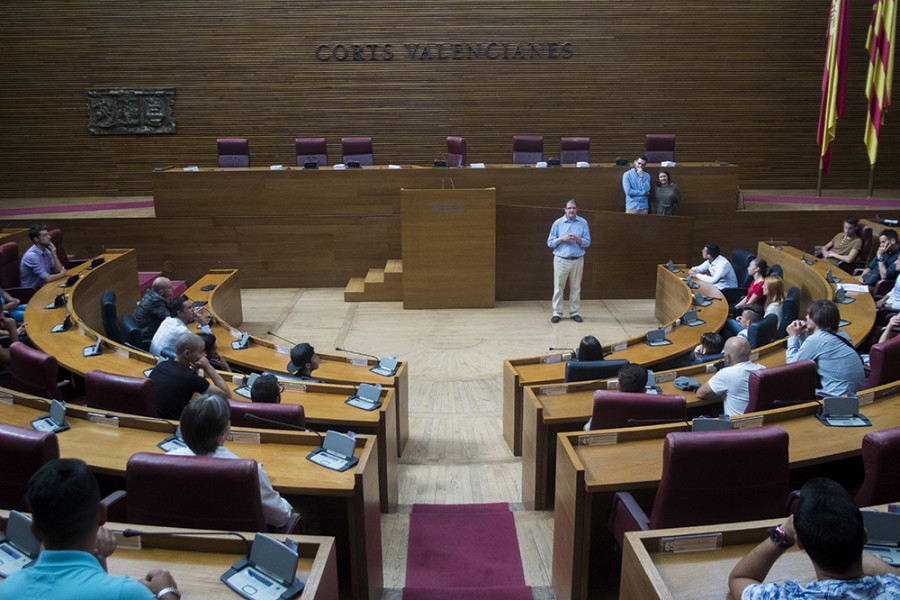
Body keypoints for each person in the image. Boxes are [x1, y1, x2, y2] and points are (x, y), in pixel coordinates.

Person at [0, 458, 180, 600]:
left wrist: (97, 558)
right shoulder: (127, 593)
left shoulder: (6, 589)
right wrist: (166, 591)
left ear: (34, 531)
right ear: (103, 513)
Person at [728, 477, 900, 599]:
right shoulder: (894, 588)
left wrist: (782, 534)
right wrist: (887, 570)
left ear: (800, 543)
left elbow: (739, 577)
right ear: (864, 537)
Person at [167, 392, 293, 529]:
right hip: (237, 545)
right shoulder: (249, 471)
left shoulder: (166, 463)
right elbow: (281, 518)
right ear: (222, 433)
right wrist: (287, 504)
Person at [786, 299, 866, 397]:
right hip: (856, 392)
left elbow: (790, 368)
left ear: (815, 319)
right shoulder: (842, 334)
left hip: (836, 397)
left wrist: (793, 337)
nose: (806, 317)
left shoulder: (817, 340)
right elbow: (810, 353)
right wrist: (802, 335)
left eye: (808, 314)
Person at [149, 332, 231, 419]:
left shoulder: (162, 365)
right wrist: (208, 367)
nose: (205, 355)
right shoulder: (190, 378)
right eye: (202, 351)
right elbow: (226, 395)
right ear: (187, 354)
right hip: (173, 425)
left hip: (152, 419)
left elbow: (184, 385)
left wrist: (194, 369)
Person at [546, 199, 591, 323]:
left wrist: (577, 238)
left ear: (577, 209)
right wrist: (562, 238)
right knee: (558, 288)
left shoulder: (583, 223)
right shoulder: (558, 223)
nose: (572, 210)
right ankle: (557, 313)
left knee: (576, 287)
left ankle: (574, 312)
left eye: (574, 208)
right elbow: (549, 242)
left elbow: (587, 242)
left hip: (577, 260)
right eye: (569, 208)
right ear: (564, 209)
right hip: (561, 260)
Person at [696, 337, 765, 416]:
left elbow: (700, 394)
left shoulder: (726, 374)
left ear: (728, 357)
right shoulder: (762, 369)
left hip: (735, 425)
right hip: (761, 422)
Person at [584, 362, 646, 430]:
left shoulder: (605, 405)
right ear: (644, 390)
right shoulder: (653, 404)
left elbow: (587, 429)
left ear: (618, 386)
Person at [19, 223, 67, 289]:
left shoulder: (46, 251)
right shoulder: (31, 256)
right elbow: (47, 278)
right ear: (36, 239)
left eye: (48, 234)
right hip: (32, 291)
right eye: (45, 235)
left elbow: (58, 270)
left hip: (44, 286)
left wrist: (54, 255)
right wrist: (61, 274)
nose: (49, 237)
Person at [133, 277, 175, 342]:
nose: (173, 288)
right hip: (147, 333)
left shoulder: (151, 294)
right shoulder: (156, 302)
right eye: (169, 287)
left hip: (143, 327)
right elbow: (169, 319)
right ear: (161, 292)